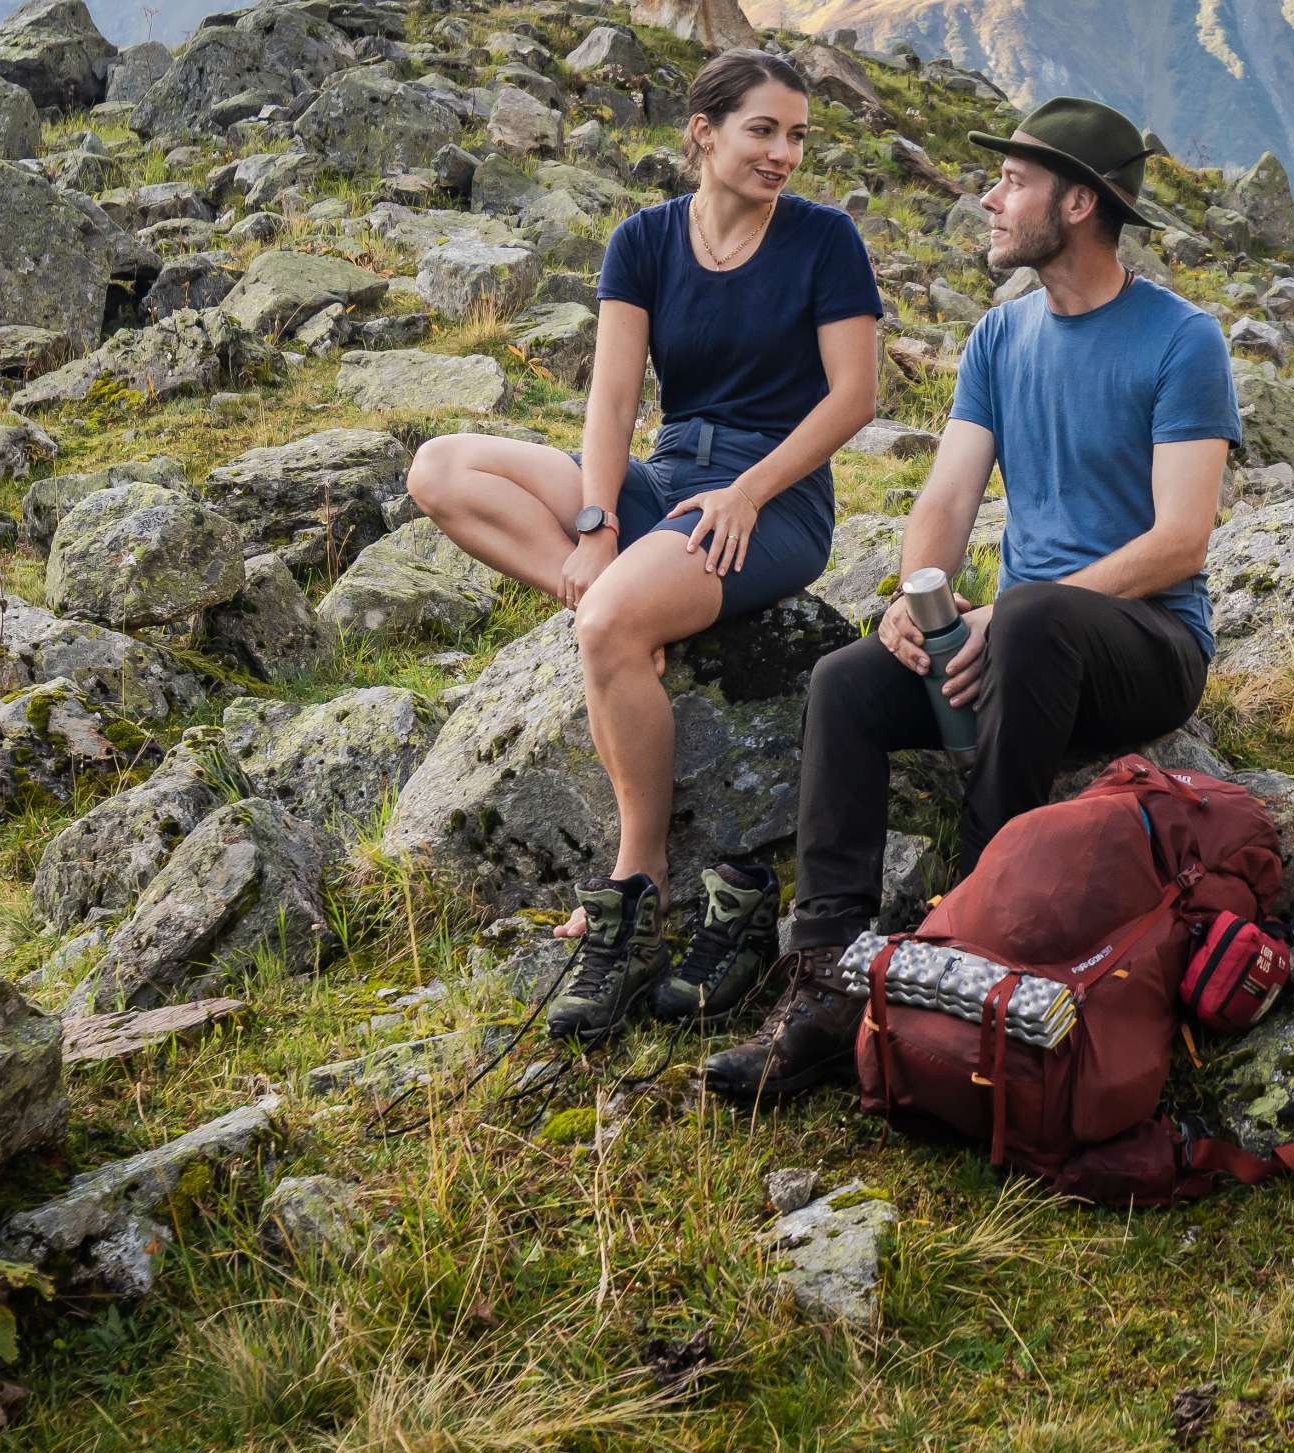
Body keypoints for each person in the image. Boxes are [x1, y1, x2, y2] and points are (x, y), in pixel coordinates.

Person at [705, 97, 1238, 1106]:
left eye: (1014, 184)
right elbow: (946, 496)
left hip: (1149, 647)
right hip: (1027, 650)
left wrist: (1005, 615)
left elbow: (1181, 538)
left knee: (1032, 611)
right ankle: (823, 981)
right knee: (846, 684)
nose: (988, 199)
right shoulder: (1002, 337)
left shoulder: (1182, 340)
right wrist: (915, 599)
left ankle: (969, 928)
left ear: (1079, 203)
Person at [403, 48, 882, 1043]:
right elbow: (612, 398)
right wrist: (597, 525)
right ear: (703, 133)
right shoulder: (644, 240)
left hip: (772, 497)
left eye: (797, 134)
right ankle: (614, 606)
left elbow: (854, 398)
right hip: (665, 478)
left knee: (614, 621)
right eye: (763, 129)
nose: (784, 152)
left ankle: (638, 881)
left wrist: (751, 491)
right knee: (440, 470)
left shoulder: (826, 242)